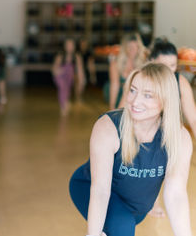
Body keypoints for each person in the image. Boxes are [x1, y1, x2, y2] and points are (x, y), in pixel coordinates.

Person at [69, 63, 193, 236]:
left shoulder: (179, 138)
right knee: (122, 226)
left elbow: (176, 195)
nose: (135, 101)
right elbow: (100, 190)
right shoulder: (108, 128)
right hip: (90, 187)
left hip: (136, 208)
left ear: (166, 100)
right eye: (133, 90)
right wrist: (93, 234)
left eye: (147, 95)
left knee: (123, 223)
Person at [145, 39, 196, 218]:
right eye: (163, 65)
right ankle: (152, 201)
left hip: (170, 135)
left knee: (174, 174)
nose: (168, 70)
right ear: (151, 62)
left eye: (173, 65)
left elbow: (193, 116)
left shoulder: (180, 82)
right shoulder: (142, 79)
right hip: (144, 134)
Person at [105, 33, 146, 109]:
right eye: (130, 47)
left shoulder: (142, 64)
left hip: (135, 95)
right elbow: (114, 85)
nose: (133, 50)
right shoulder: (115, 63)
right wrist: (112, 107)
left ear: (139, 48)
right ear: (124, 48)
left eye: (135, 47)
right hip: (118, 94)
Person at [52, 38, 84, 116]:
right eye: (68, 45)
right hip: (59, 76)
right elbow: (54, 69)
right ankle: (63, 106)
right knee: (63, 87)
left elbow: (80, 70)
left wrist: (81, 81)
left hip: (69, 77)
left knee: (66, 89)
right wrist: (59, 70)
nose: (69, 47)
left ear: (74, 46)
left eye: (71, 45)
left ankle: (65, 102)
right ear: (65, 46)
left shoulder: (77, 56)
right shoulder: (60, 55)